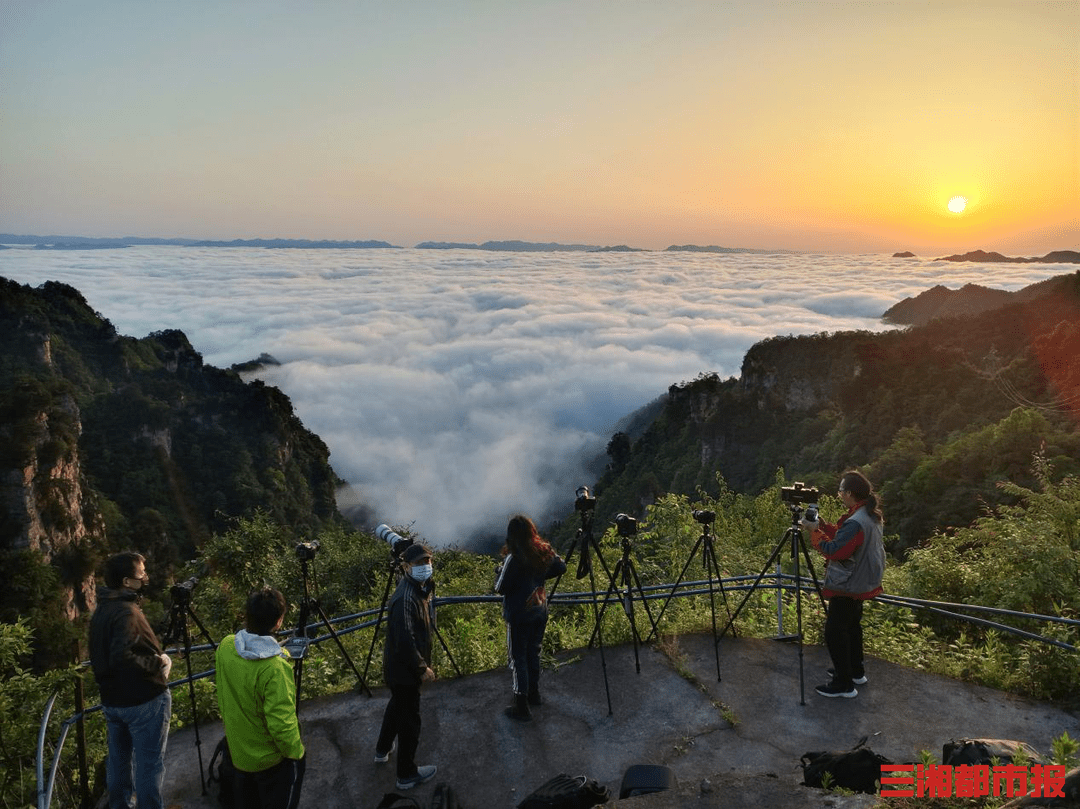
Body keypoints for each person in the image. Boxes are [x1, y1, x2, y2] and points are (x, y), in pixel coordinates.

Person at [89, 551, 173, 809]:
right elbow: (122, 657)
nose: (145, 577)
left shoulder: (103, 609)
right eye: (141, 573)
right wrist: (157, 663)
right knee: (149, 764)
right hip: (142, 699)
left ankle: (120, 805)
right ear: (127, 581)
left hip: (113, 700)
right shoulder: (125, 612)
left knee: (119, 760)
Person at [215, 587, 306, 809]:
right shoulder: (274, 669)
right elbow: (281, 725)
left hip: (238, 753)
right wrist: (297, 753)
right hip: (270, 763)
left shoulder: (226, 646)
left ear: (247, 615)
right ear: (279, 622)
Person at [805, 470, 886, 699]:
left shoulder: (856, 521)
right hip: (863, 581)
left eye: (841, 491)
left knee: (835, 631)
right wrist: (822, 526)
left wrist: (814, 533)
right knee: (851, 627)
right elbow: (846, 537)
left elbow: (835, 550)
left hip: (849, 584)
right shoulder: (868, 514)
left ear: (849, 493)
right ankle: (855, 671)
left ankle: (843, 684)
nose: (839, 495)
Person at [374, 543, 439, 790]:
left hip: (398, 669)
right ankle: (406, 774)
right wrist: (422, 668)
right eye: (420, 563)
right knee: (410, 721)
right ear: (405, 567)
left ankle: (382, 750)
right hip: (406, 670)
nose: (425, 567)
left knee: (396, 707)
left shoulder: (415, 589)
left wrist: (428, 589)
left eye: (428, 562)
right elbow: (405, 638)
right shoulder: (405, 599)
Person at [494, 514, 567, 721]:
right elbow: (561, 567)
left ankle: (521, 704)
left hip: (519, 615)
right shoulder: (542, 552)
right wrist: (541, 574)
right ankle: (534, 694)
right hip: (539, 610)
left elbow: (500, 588)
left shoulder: (513, 557)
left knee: (518, 659)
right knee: (533, 653)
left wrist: (499, 571)